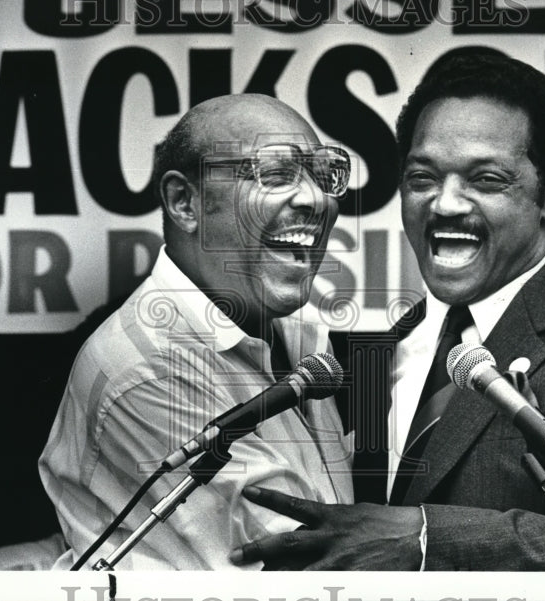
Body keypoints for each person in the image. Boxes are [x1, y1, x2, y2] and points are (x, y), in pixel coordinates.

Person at [230, 54, 545, 571]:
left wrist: (426, 541)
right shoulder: (363, 357)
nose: (445, 204)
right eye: (422, 177)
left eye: (486, 180)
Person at [39, 94, 354, 569]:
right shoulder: (150, 365)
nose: (315, 199)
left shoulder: (298, 333)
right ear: (184, 202)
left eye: (324, 173)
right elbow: (314, 571)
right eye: (274, 173)